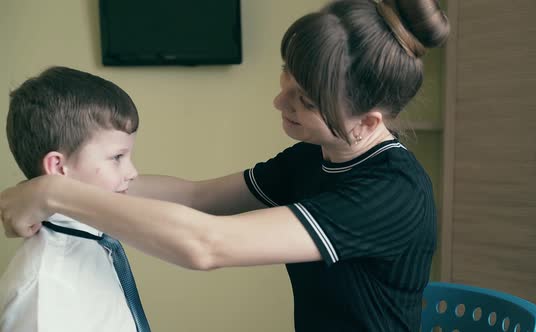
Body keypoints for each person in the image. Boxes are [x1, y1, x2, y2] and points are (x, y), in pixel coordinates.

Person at [0, 0, 449, 330]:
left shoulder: (392, 193)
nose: (279, 102)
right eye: (285, 79)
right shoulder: (313, 157)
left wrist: (51, 193)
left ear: (366, 121)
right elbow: (198, 198)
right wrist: (73, 181)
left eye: (305, 102)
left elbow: (207, 245)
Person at [0, 66, 151, 332]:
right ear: (58, 167)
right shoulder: (44, 289)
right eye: (117, 157)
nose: (132, 172)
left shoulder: (98, 243)